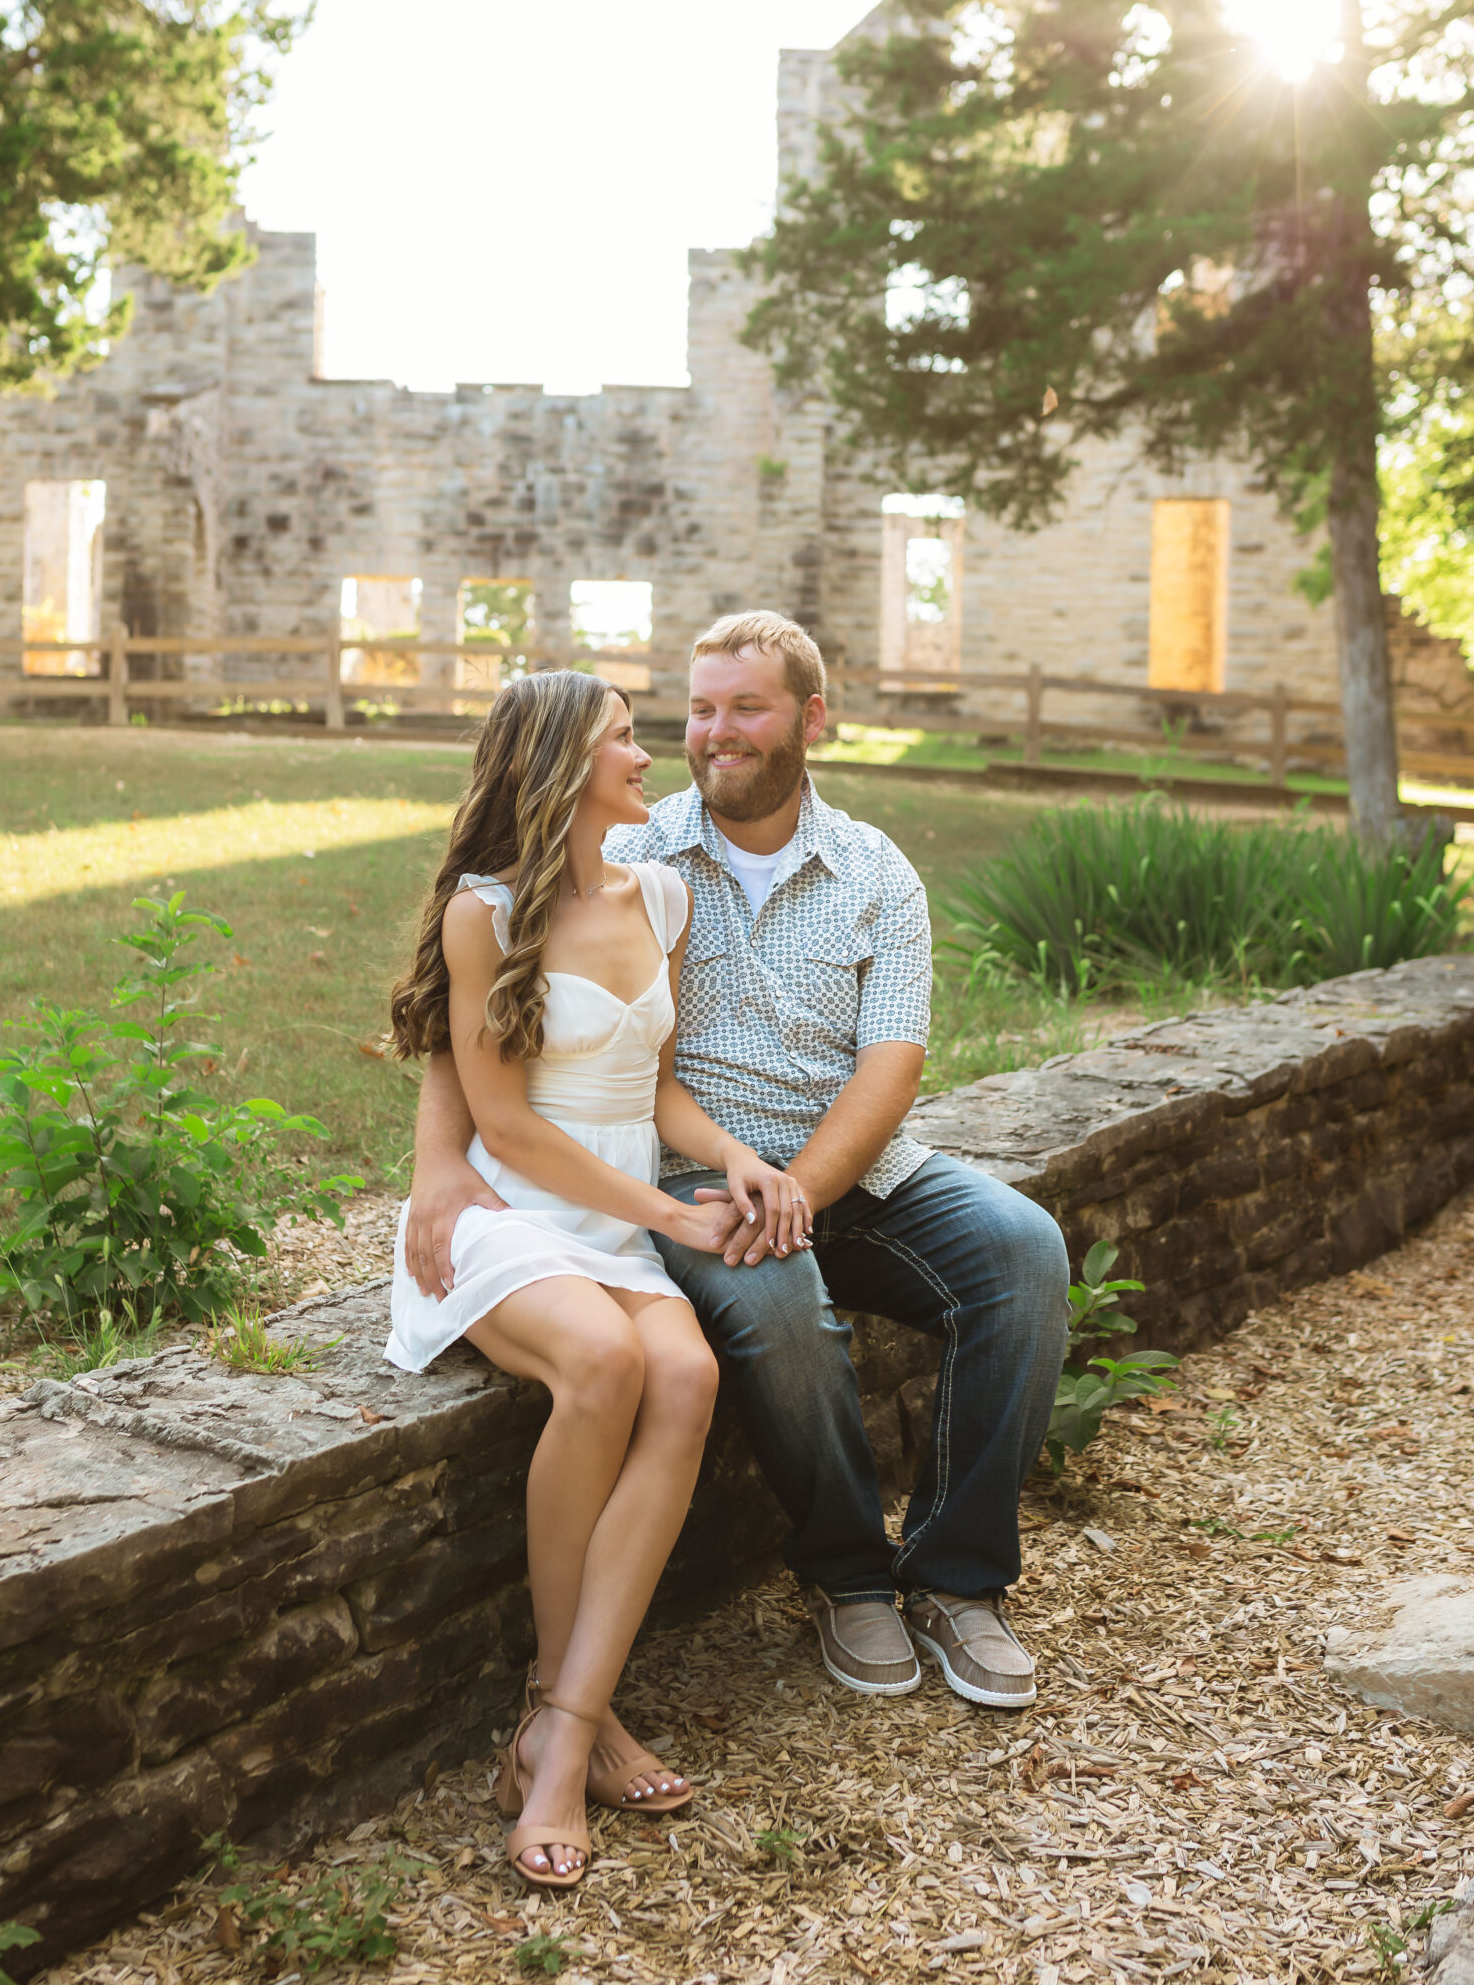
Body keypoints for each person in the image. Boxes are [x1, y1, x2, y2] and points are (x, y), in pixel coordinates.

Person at [402, 611, 1070, 1714]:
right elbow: (480, 994)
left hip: (858, 1171)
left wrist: (799, 1190)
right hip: (691, 1176)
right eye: (700, 708)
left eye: (745, 708)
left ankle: (959, 1579)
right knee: (776, 1300)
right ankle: (850, 1575)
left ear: (811, 718)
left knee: (1023, 1252)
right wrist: (438, 1160)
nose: (715, 733)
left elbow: (891, 1065)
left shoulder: (875, 871)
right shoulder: (629, 845)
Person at [386, 668, 807, 1889]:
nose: (650, 753)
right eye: (627, 738)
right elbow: (504, 1125)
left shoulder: (663, 894)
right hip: (510, 1211)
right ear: (566, 763)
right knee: (608, 1361)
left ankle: (566, 1712)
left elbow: (654, 1084)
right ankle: (568, 1736)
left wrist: (731, 1156)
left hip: (617, 1219)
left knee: (683, 1376)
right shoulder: (487, 912)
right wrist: (668, 1212)